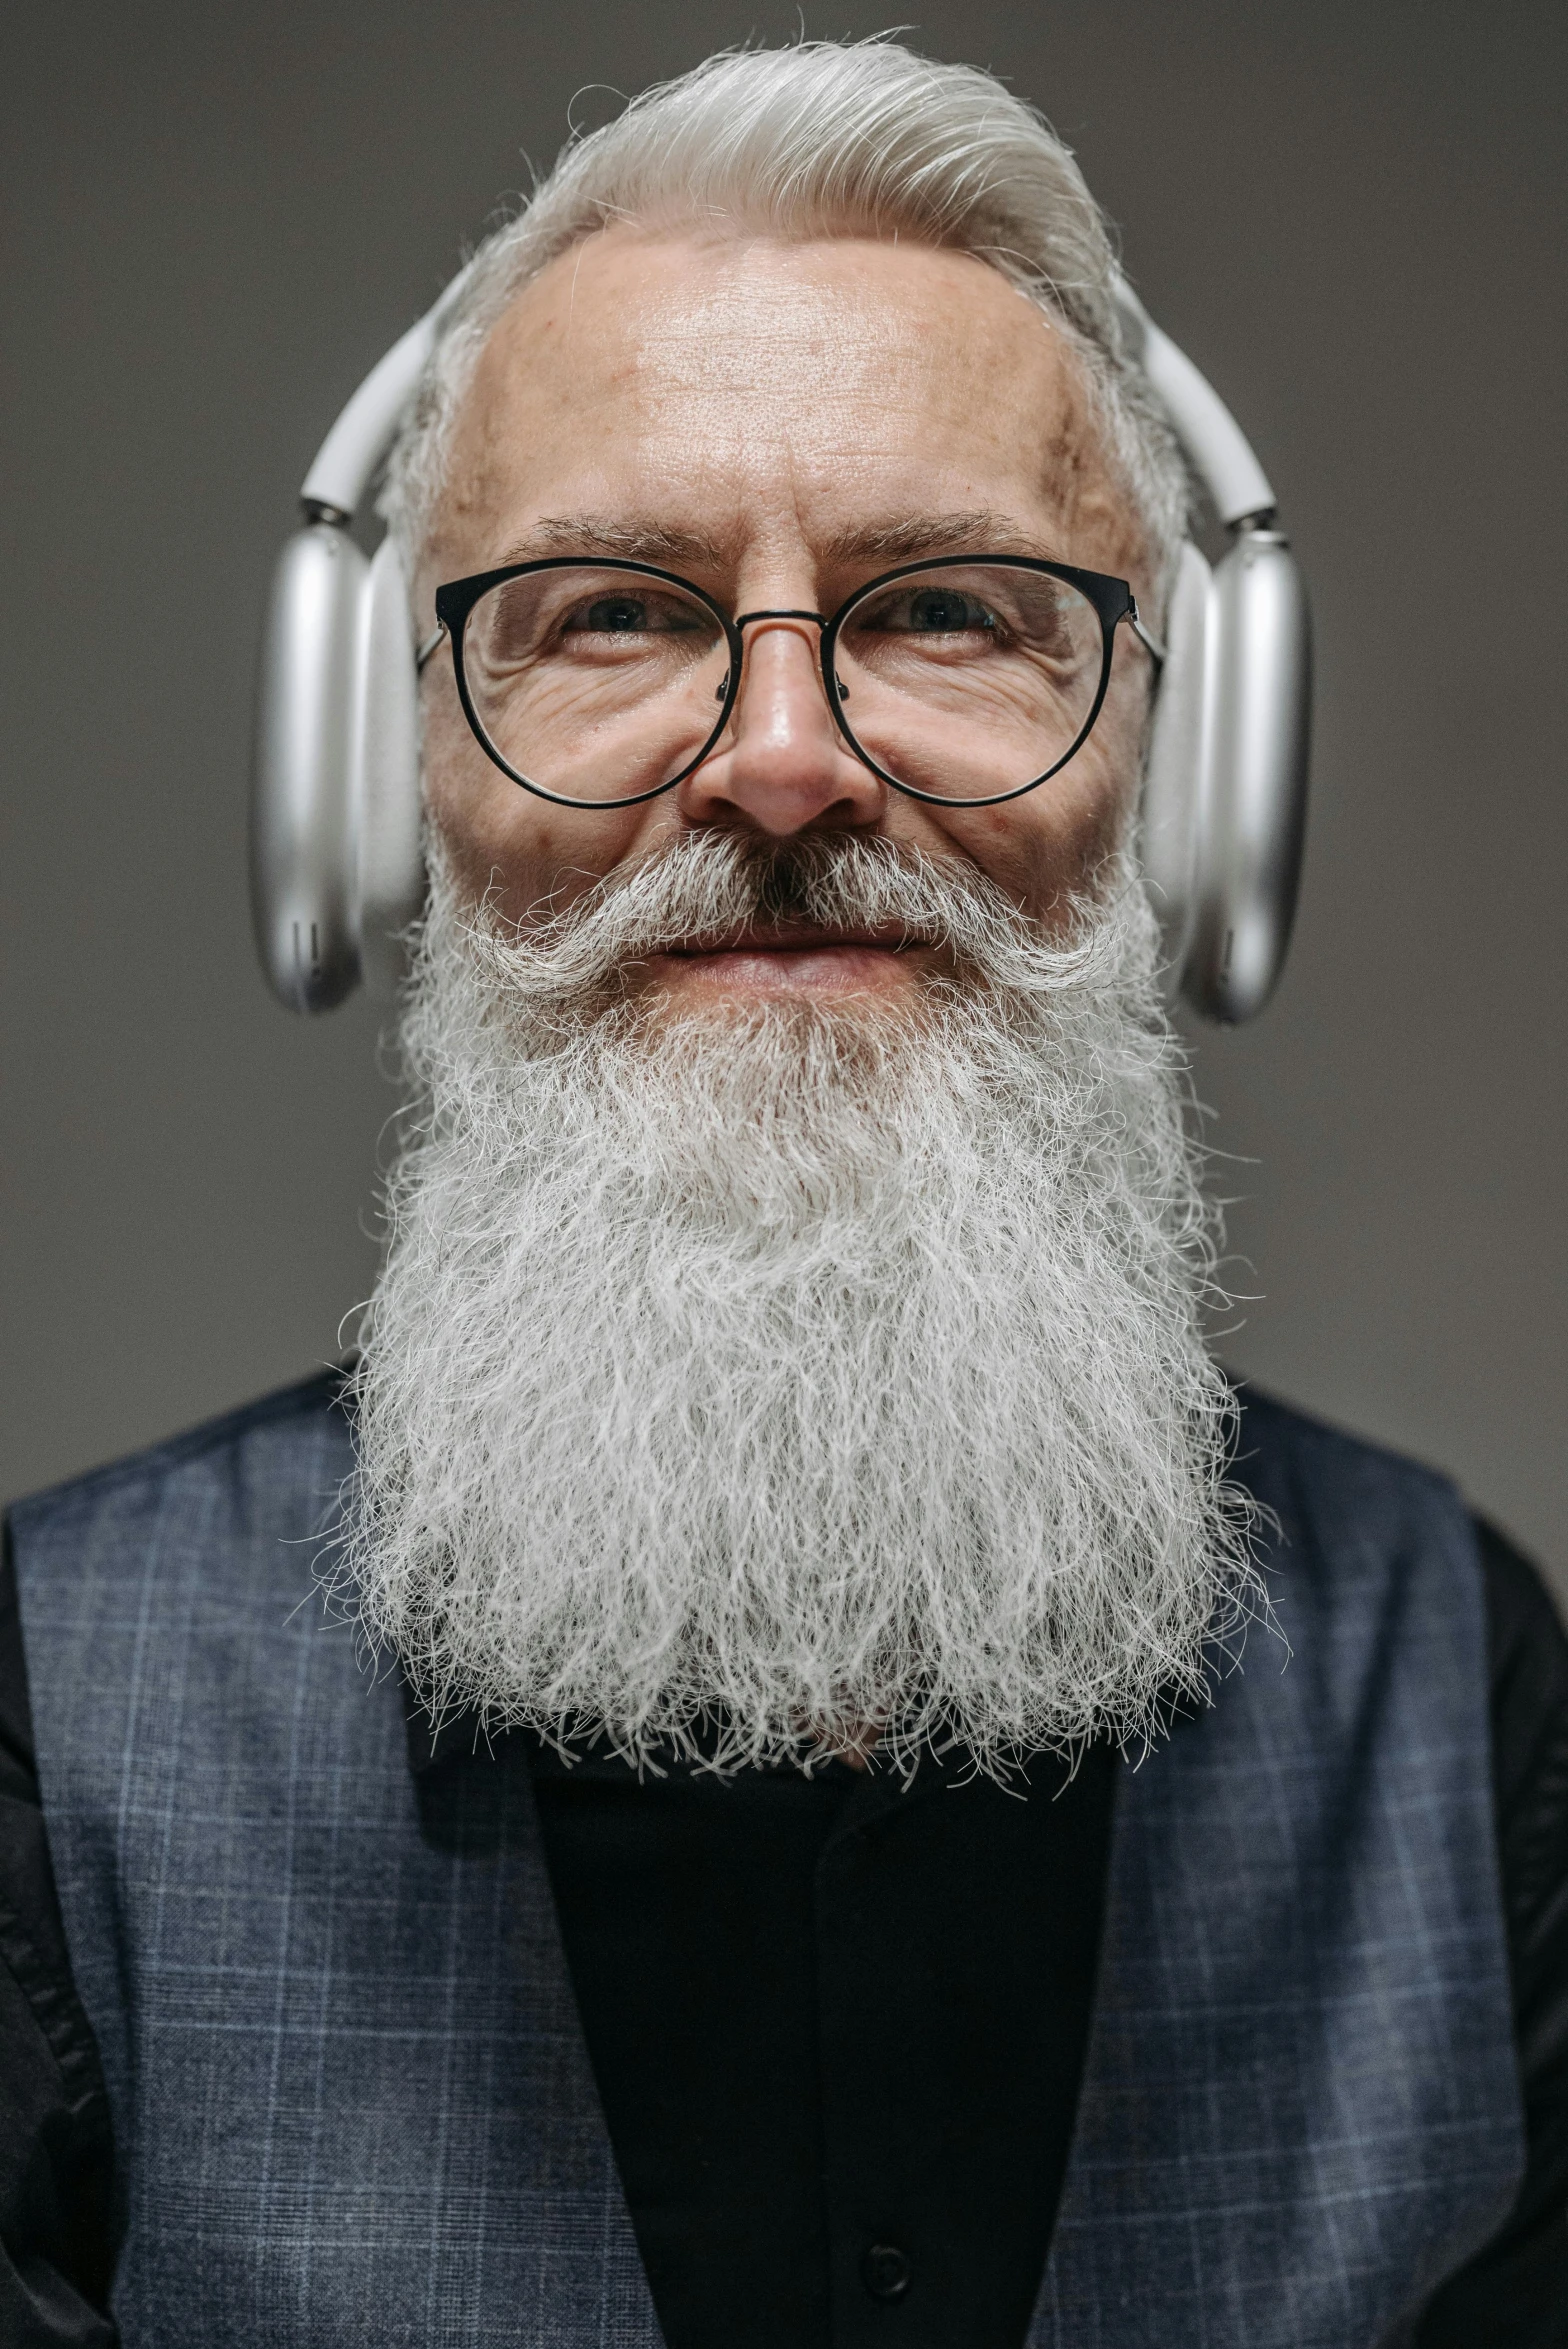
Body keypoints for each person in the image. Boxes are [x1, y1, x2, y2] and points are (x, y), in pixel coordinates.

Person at [3, 39, 1564, 2349]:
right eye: (609, 614)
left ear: (1195, 780)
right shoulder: (46, 1717)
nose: (780, 759)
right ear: (374, 774)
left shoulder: (1453, 1682)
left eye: (948, 611)